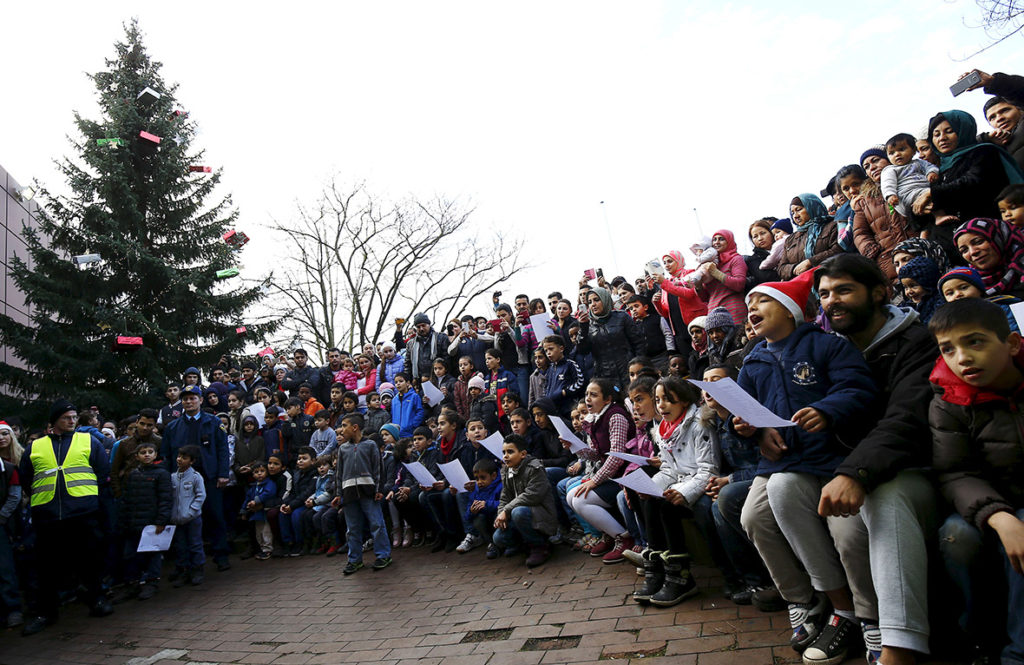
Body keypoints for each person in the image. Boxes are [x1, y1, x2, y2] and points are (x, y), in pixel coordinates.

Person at [736, 271, 878, 661]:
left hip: (834, 458)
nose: (752, 311)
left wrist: (825, 410)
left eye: (761, 303)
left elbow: (858, 390)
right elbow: (745, 417)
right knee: (754, 518)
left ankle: (868, 617)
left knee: (847, 533)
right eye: (748, 307)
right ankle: (809, 601)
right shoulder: (752, 361)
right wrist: (753, 432)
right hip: (785, 463)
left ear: (790, 310)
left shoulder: (827, 346)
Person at [815, 254, 941, 664]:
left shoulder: (916, 341)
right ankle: (852, 616)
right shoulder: (828, 351)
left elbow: (906, 419)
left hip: (915, 471)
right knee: (774, 492)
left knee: (881, 499)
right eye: (824, 294)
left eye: (844, 290)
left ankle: (900, 648)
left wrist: (854, 472)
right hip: (853, 467)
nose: (832, 301)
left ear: (880, 293)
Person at [928, 298, 1024, 663]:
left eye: (976, 342)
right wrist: (1000, 517)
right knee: (957, 537)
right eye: (947, 349)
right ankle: (978, 640)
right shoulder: (947, 400)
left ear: (1012, 344)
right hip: (988, 504)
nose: (961, 358)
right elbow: (955, 472)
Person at [20, 399, 113, 636]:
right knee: (46, 567)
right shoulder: (36, 446)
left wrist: (90, 501)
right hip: (48, 516)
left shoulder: (88, 441)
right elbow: (26, 478)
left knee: (90, 560)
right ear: (54, 422)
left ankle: (97, 599)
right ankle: (46, 612)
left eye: (73, 417)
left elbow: (102, 473)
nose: (72, 421)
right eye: (66, 418)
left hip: (83, 512)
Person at [921, 110, 1024, 246]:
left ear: (964, 130)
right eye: (936, 134)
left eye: (949, 131)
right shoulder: (940, 168)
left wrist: (931, 194)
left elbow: (972, 182)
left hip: (988, 238)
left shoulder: (984, 152)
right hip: (954, 245)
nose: (942, 138)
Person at [161, 385, 231, 571]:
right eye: (185, 399)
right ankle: (185, 562)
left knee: (215, 515)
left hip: (209, 476)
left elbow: (223, 450)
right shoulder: (173, 427)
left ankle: (221, 555)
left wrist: (223, 474)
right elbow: (167, 454)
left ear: (200, 400)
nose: (189, 402)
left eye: (193, 398)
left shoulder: (214, 423)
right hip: (182, 479)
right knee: (182, 518)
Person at [566, 378, 637, 561]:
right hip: (610, 475)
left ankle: (623, 538)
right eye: (587, 394)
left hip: (624, 475)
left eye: (594, 395)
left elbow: (617, 456)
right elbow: (596, 454)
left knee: (580, 500)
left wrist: (595, 480)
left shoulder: (616, 416)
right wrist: (574, 446)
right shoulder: (594, 418)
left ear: (607, 399)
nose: (588, 399)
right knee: (570, 495)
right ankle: (609, 533)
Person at [334, 413, 392, 573]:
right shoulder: (343, 449)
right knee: (352, 528)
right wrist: (338, 494)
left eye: (345, 426)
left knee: (376, 524)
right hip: (349, 493)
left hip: (368, 492)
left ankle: (383, 555)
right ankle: (354, 559)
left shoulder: (370, 445)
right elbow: (339, 473)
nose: (341, 430)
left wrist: (379, 489)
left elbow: (378, 468)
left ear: (355, 427)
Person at [494, 434, 559, 567]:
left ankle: (540, 547)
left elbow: (532, 495)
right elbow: (505, 496)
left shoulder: (534, 468)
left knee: (518, 512)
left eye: (510, 452)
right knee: (498, 538)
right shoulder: (507, 470)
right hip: (520, 513)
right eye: (504, 452)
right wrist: (501, 514)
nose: (505, 456)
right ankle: (525, 544)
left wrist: (506, 510)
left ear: (523, 454)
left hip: (541, 516)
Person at [118, 440, 172, 600]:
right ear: (137, 456)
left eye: (150, 452)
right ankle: (133, 584)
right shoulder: (133, 474)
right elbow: (126, 499)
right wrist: (124, 520)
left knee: (152, 554)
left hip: (152, 523)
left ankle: (151, 582)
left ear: (155, 455)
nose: (147, 455)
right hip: (134, 523)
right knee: (131, 555)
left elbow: (165, 499)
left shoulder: (161, 474)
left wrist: (162, 520)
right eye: (143, 452)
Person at [576, 287, 645, 388]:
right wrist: (583, 328)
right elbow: (582, 350)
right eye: (590, 302)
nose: (593, 304)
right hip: (606, 377)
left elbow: (639, 343)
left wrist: (638, 367)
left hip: (629, 371)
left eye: (596, 300)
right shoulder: (587, 325)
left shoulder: (622, 317)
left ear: (605, 299)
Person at [959, 68, 1024, 170]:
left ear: (1020, 109)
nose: (999, 118)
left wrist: (993, 82)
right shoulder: (992, 149)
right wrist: (986, 139)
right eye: (992, 117)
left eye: (1005, 110)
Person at [776, 194, 842, 280]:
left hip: (831, 279)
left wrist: (811, 262)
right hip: (803, 287)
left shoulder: (832, 226)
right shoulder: (790, 239)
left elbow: (838, 250)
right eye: (792, 213)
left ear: (812, 207)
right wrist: (794, 269)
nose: (795, 216)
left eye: (799, 210)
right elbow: (781, 268)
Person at [953, 217, 1024, 298]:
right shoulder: (969, 288)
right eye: (964, 250)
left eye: (978, 242)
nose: (973, 252)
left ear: (1000, 238)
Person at [939, 265, 1021, 332]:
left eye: (963, 288)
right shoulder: (950, 322)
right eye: (950, 293)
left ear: (979, 289)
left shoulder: (1000, 310)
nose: (957, 294)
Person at [169, 444, 207, 584]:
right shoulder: (173, 477)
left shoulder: (196, 477)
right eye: (179, 456)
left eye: (184, 458)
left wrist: (191, 511)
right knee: (180, 546)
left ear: (192, 461)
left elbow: (200, 496)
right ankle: (183, 570)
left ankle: (197, 569)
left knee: (195, 544)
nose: (180, 459)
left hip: (192, 518)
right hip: (176, 519)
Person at [693, 230, 748, 325]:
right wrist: (698, 286)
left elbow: (740, 284)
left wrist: (716, 273)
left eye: (721, 239)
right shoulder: (710, 263)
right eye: (714, 239)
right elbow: (705, 298)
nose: (716, 242)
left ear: (729, 241)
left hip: (733, 313)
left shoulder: (735, 259)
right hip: (714, 315)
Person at [110, 408, 160, 498]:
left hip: (151, 491)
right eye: (142, 423)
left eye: (149, 425)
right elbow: (115, 471)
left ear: (154, 426)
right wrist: (118, 492)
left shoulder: (160, 442)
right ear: (137, 422)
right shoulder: (124, 443)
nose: (144, 428)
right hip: (128, 491)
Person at [464, 457, 503, 558]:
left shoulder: (500, 486)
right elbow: (467, 516)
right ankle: (492, 544)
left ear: (493, 475)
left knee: (498, 514)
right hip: (487, 522)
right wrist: (472, 511)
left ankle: (502, 543)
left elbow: (505, 504)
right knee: (478, 520)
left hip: (498, 519)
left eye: (483, 478)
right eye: (477, 478)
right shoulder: (476, 490)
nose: (479, 482)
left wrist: (487, 504)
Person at [238, 461, 275, 561]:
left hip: (264, 512)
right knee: (259, 533)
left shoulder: (269, 484)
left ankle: (268, 549)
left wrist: (256, 501)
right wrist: (244, 511)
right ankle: (262, 548)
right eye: (256, 472)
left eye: (262, 471)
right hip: (256, 514)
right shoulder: (253, 487)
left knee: (266, 532)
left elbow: (268, 494)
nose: (259, 474)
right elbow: (247, 499)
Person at [897, 256, 943, 324]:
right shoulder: (906, 306)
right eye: (905, 287)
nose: (909, 291)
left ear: (928, 282)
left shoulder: (939, 303)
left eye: (913, 286)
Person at [405, 313, 451, 380]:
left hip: (439, 379)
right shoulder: (410, 344)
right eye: (418, 327)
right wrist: (408, 380)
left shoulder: (441, 338)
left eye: (423, 325)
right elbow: (408, 364)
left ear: (429, 324)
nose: (421, 329)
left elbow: (447, 360)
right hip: (419, 381)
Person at [745, 218, 781, 289]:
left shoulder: (786, 247)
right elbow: (765, 277)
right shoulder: (753, 260)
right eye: (755, 236)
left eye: (763, 233)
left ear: (771, 233)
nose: (760, 238)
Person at [391, 373, 425, 437]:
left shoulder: (414, 396)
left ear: (407, 383)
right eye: (396, 382)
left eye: (401, 381)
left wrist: (413, 425)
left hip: (410, 433)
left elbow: (420, 412)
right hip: (397, 434)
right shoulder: (394, 400)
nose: (398, 384)